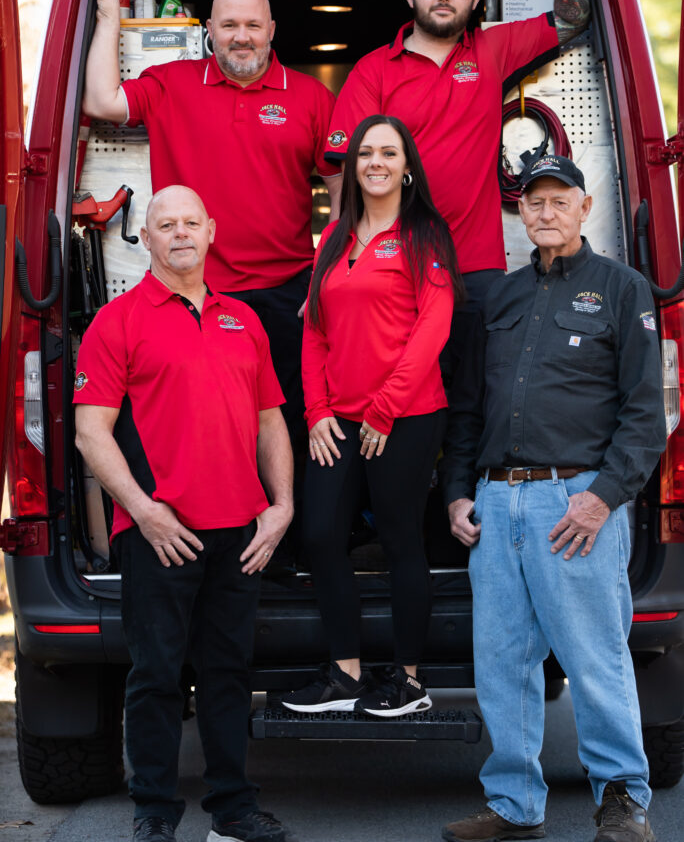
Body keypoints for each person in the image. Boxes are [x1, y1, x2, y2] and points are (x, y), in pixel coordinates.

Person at [444, 156, 665, 842]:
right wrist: (457, 494)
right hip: (497, 504)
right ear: (522, 212)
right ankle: (514, 805)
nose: (545, 212)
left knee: (595, 655)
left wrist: (601, 498)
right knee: (503, 661)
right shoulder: (501, 300)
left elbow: (645, 413)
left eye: (558, 200)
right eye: (533, 201)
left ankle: (622, 802)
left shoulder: (623, 290)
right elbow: (470, 411)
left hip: (574, 507)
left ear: (584, 205)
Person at [324, 0, 590, 499]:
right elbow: (342, 175)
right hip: (399, 274)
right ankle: (392, 520)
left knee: (477, 403)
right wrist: (329, 266)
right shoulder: (374, 70)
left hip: (476, 272)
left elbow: (573, 19)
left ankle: (462, 513)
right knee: (398, 402)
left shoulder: (490, 50)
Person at [73, 185, 297, 842]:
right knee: (156, 675)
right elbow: (92, 432)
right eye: (165, 224)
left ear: (211, 231)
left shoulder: (243, 319)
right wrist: (143, 513)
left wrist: (281, 507)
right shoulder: (119, 322)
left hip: (241, 533)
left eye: (190, 223)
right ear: (146, 237)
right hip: (159, 534)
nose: (179, 234)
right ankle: (153, 812)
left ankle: (233, 811)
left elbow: (270, 421)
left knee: (229, 673)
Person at [82, 0, 341, 470]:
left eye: (251, 25)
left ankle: (289, 538)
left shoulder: (310, 97)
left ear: (272, 30)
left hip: (286, 292)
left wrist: (328, 276)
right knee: (205, 422)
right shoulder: (170, 84)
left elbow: (341, 189)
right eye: (227, 25)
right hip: (193, 292)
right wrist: (110, 16)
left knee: (286, 422)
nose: (240, 37)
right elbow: (100, 101)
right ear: (209, 31)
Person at [281, 115, 462, 718]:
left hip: (405, 418)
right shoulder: (334, 238)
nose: (376, 162)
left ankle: (409, 680)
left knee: (399, 539)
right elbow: (314, 332)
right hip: (337, 420)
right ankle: (346, 673)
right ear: (352, 167)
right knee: (321, 535)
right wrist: (315, 411)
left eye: (389, 152)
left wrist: (384, 410)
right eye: (365, 153)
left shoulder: (426, 234)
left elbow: (431, 331)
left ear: (407, 167)